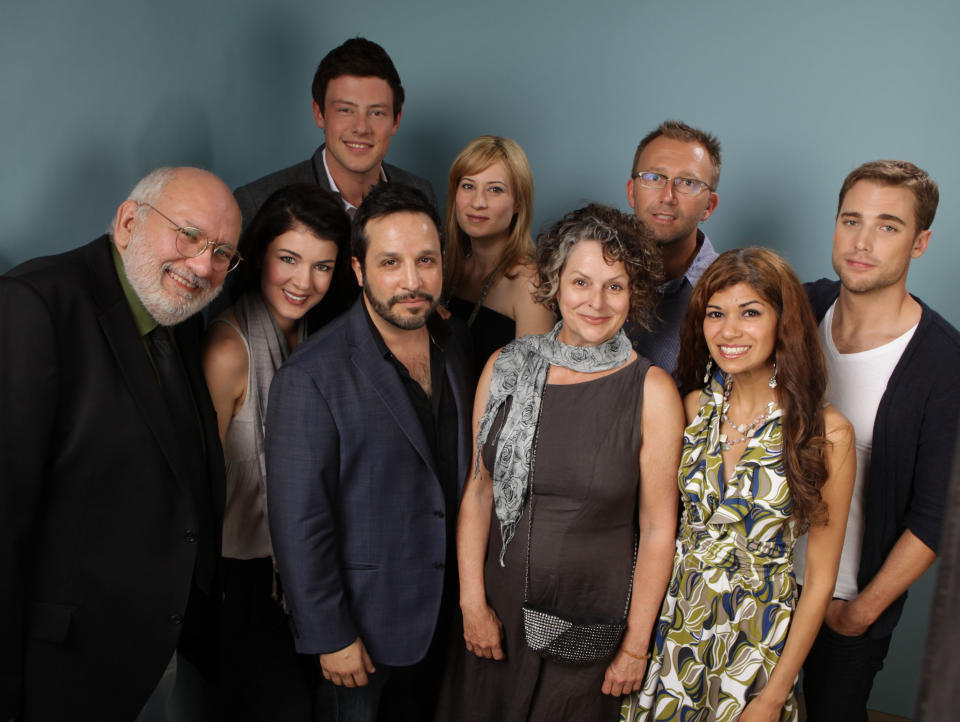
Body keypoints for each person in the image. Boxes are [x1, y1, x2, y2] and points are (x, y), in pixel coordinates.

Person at [0, 167, 241, 721]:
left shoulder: (175, 312)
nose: (203, 266)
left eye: (223, 252)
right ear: (129, 221)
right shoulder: (33, 305)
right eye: (189, 235)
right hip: (54, 670)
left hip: (151, 658)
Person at [437, 204, 684, 721]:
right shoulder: (505, 366)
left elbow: (659, 528)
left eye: (614, 286)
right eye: (581, 282)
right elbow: (479, 491)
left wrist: (636, 646)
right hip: (496, 615)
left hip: (589, 619)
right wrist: (471, 604)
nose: (596, 302)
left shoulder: (652, 391)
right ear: (554, 281)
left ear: (634, 293)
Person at [264, 182, 472, 721]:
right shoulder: (311, 376)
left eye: (425, 260)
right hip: (364, 634)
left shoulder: (457, 348)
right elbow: (299, 522)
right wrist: (329, 634)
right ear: (358, 271)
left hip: (453, 624)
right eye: (390, 263)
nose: (411, 281)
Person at [623, 248, 856, 721]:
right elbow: (655, 531)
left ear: (783, 321)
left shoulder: (827, 434)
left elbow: (819, 582)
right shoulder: (690, 409)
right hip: (674, 628)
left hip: (757, 644)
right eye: (715, 314)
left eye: (750, 312)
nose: (729, 332)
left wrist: (773, 695)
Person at [795, 160, 960, 721]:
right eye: (851, 220)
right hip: (757, 586)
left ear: (921, 242)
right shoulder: (797, 309)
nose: (862, 242)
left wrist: (861, 613)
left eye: (888, 225)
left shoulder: (942, 363)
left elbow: (935, 513)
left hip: (844, 606)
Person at [201, 184, 350, 720]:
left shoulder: (314, 335)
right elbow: (201, 485)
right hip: (240, 578)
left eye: (322, 266)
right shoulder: (227, 350)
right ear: (261, 253)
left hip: (302, 566)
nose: (303, 282)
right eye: (289, 259)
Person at [231, 38, 437, 327]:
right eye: (345, 110)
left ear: (396, 120)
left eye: (377, 113)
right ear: (319, 113)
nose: (361, 128)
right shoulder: (258, 201)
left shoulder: (420, 193)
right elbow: (230, 321)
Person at [442, 135, 556, 375]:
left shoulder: (530, 283)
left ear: (518, 203)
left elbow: (530, 391)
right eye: (468, 186)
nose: (478, 202)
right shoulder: (445, 269)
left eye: (495, 189)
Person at [625, 120, 721, 375]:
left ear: (709, 206)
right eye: (654, 178)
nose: (668, 196)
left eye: (688, 182)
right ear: (632, 192)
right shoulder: (589, 277)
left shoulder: (732, 291)